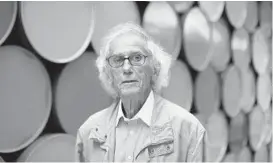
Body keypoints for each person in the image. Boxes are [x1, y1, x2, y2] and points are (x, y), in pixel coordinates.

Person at [75, 22, 206, 162]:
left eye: (137, 58)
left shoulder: (189, 130)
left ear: (156, 68)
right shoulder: (88, 133)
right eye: (117, 60)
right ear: (108, 74)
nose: (126, 68)